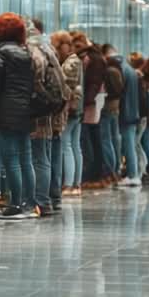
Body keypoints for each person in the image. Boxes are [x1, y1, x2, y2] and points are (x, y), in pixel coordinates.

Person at [0, 14, 36, 220]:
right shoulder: (26, 54)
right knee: (26, 159)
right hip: (25, 112)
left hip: (5, 113)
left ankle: (15, 204)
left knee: (11, 160)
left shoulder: (0, 55)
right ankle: (30, 203)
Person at [27, 19, 65, 215]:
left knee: (39, 158)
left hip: (37, 113)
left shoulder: (34, 52)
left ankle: (41, 201)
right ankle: (49, 198)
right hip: (49, 112)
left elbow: (36, 82)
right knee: (45, 157)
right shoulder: (48, 50)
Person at [74, 32, 110, 189]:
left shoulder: (91, 58)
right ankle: (98, 174)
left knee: (89, 141)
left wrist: (85, 102)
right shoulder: (97, 56)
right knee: (95, 140)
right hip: (95, 102)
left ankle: (92, 175)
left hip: (91, 103)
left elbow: (93, 82)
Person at [54, 32, 84, 197]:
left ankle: (68, 184)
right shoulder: (76, 61)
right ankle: (75, 183)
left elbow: (66, 86)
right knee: (74, 146)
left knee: (66, 145)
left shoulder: (70, 62)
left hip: (71, 110)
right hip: (77, 109)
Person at [107, 45, 141, 187]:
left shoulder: (121, 70)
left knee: (128, 145)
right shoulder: (130, 69)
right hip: (133, 111)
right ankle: (134, 174)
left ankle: (133, 175)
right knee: (131, 144)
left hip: (126, 112)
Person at [101, 44, 125, 187]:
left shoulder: (109, 71)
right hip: (115, 108)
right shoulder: (118, 69)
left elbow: (110, 90)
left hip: (107, 108)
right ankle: (116, 168)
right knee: (115, 139)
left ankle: (111, 170)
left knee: (106, 140)